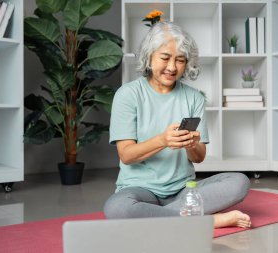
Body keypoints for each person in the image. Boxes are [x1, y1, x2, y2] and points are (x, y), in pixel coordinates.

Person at [104, 21, 251, 229]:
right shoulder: (128, 95)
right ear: (149, 56)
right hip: (140, 190)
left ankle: (162, 218)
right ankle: (208, 220)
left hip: (185, 190)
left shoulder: (194, 98)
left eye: (180, 60)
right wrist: (162, 140)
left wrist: (191, 144)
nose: (172, 67)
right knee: (117, 208)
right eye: (165, 58)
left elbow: (199, 158)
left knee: (239, 183)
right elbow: (126, 155)